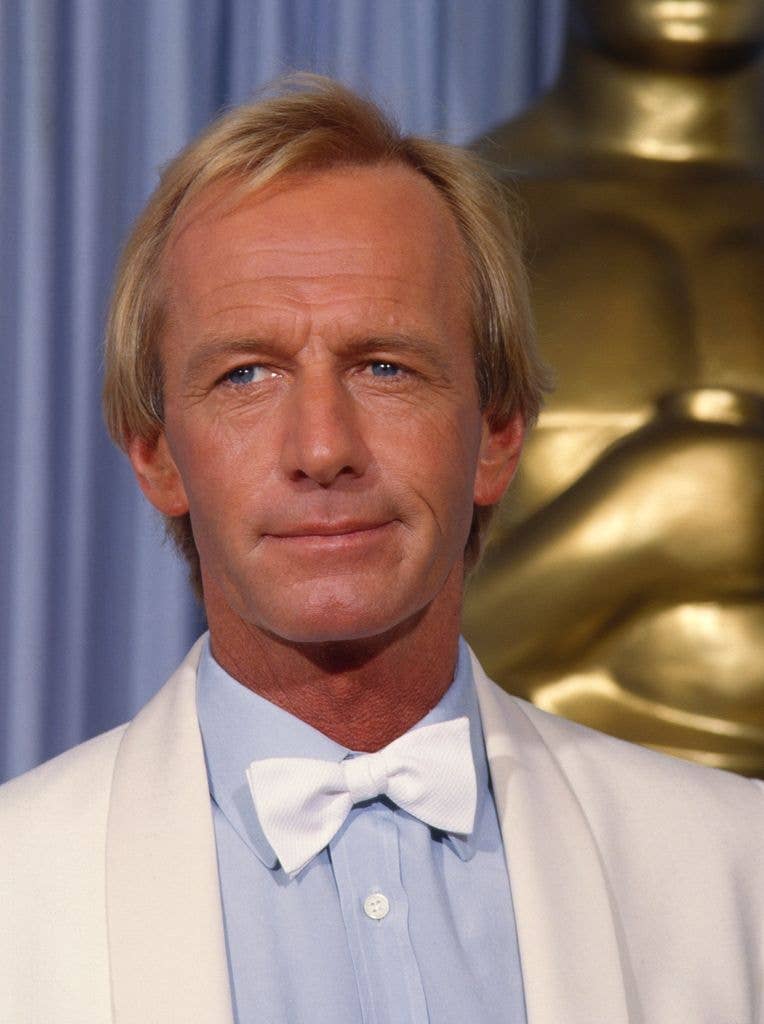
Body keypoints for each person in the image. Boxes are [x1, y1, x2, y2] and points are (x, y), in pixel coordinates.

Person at [1, 76, 762, 1024]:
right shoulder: (14, 889)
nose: (323, 449)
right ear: (155, 453)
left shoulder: (736, 873)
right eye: (247, 374)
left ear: (497, 431)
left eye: (384, 367)